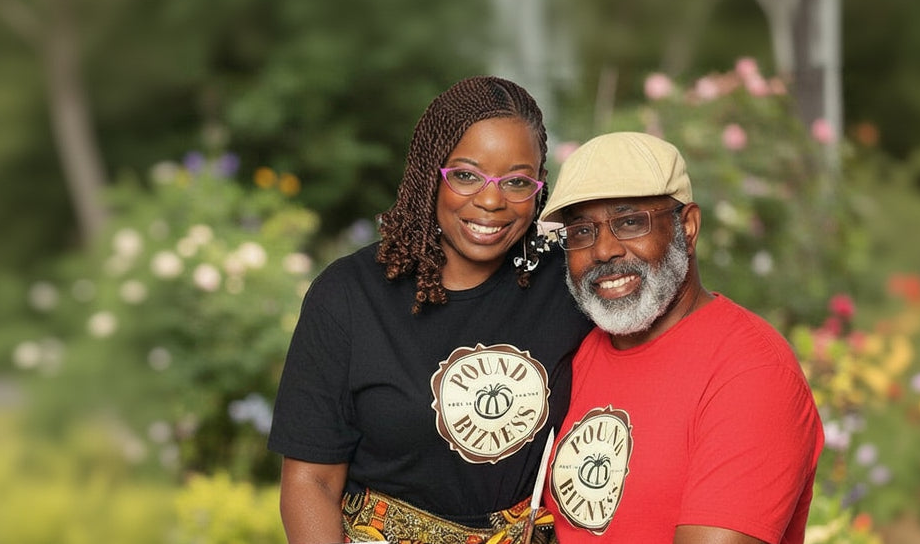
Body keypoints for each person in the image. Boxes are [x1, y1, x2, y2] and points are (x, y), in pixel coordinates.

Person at [268, 76, 592, 543]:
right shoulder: (349, 296)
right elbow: (310, 482)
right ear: (430, 173)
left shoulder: (564, 284)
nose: (490, 200)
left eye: (517, 181)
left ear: (539, 189)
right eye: (465, 174)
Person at [539, 132, 824, 544]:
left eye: (630, 221)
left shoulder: (751, 373)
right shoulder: (578, 350)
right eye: (582, 231)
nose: (604, 250)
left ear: (687, 227)